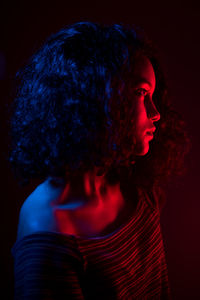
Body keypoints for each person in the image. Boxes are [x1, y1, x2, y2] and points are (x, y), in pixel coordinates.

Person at [9, 21, 190, 299]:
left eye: (152, 96)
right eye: (141, 94)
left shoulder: (137, 186)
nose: (156, 113)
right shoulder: (48, 230)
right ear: (96, 99)